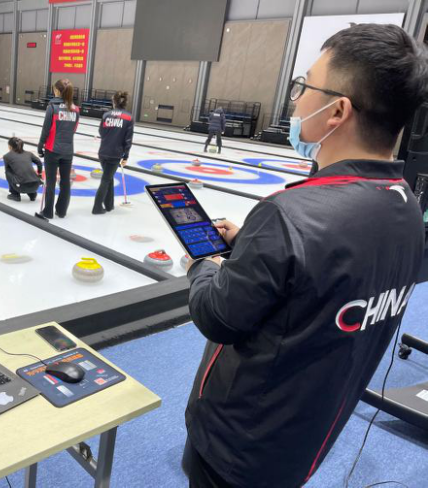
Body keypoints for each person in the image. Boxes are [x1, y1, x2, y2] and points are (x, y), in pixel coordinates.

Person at [183, 23, 427, 488]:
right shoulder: (406, 206)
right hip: (308, 437)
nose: (295, 101)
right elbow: (331, 273)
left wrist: (203, 266)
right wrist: (254, 247)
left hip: (236, 447)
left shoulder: (288, 215)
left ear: (337, 110)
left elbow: (218, 316)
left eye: (304, 86)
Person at [36, 79, 79, 219]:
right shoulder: (76, 109)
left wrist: (40, 145)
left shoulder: (52, 107)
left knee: (51, 182)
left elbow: (46, 129)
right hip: (68, 151)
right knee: (65, 182)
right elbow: (74, 130)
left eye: (54, 89)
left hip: (52, 149)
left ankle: (48, 211)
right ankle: (61, 211)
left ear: (57, 91)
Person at [93, 91, 134, 214]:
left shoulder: (106, 115)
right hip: (115, 154)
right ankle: (97, 207)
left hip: (103, 152)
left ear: (113, 102)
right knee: (106, 179)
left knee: (108, 178)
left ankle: (109, 205)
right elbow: (128, 139)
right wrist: (125, 156)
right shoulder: (128, 117)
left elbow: (101, 132)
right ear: (125, 102)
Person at [3, 136, 43, 202]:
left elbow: (8, 170)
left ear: (10, 146)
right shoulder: (29, 154)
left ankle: (15, 194)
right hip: (35, 186)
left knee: (8, 171)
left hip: (20, 187)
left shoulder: (7, 156)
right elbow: (39, 162)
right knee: (26, 170)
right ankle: (32, 194)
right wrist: (40, 174)